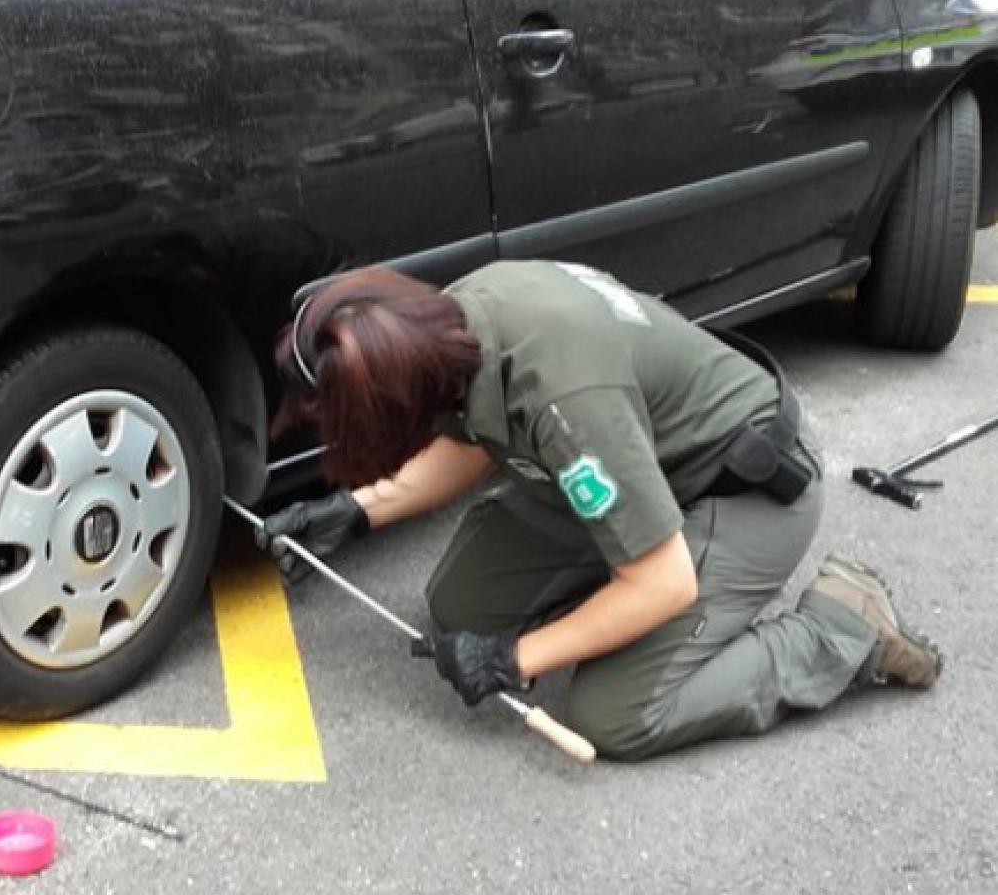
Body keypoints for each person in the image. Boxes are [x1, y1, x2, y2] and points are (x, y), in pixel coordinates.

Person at [256, 261, 942, 761]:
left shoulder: (566, 398)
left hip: (740, 493)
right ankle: (618, 593)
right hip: (631, 466)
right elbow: (472, 438)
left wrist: (513, 657)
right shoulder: (453, 325)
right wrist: (354, 510)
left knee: (614, 714)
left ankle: (842, 629)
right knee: (462, 606)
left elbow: (664, 581)